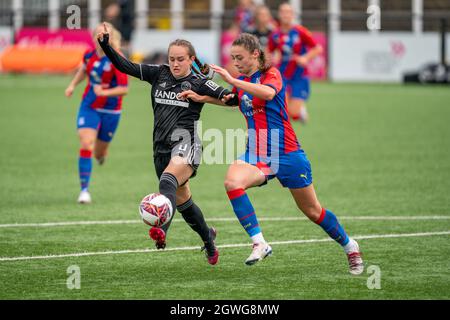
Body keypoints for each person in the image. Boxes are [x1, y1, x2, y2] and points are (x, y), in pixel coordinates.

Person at [180, 33, 364, 275]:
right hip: (256, 152)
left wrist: (231, 78)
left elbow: (267, 94)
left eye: (240, 57)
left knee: (313, 211)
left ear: (255, 54)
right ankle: (259, 242)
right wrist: (201, 97)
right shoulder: (245, 81)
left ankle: (350, 246)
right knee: (232, 182)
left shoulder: (271, 74)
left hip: (287, 154)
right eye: (233, 58)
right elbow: (233, 100)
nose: (235, 62)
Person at [97, 23, 232, 265]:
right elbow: (124, 65)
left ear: (191, 59)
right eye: (172, 59)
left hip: (187, 143)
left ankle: (162, 231)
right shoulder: (158, 73)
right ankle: (208, 238)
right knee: (184, 203)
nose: (175, 63)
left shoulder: (199, 82)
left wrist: (206, 97)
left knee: (166, 181)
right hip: (160, 147)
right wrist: (105, 45)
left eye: (181, 59)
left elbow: (231, 99)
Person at [65, 22, 128, 204]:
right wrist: (72, 85)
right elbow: (84, 70)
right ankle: (84, 191)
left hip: (111, 111)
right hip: (89, 106)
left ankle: (101, 156)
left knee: (99, 153)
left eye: (104, 34)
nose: (99, 37)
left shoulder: (117, 59)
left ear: (112, 37)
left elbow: (124, 89)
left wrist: (105, 92)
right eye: (97, 34)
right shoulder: (89, 55)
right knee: (86, 144)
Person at [268, 2, 322, 123]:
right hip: (282, 76)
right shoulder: (275, 34)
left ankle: (300, 111)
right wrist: (272, 58)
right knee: (283, 110)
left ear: (292, 15)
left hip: (299, 76)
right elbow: (268, 52)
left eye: (288, 12)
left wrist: (306, 58)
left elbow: (317, 48)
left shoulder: (300, 31)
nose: (286, 15)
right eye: (283, 12)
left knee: (294, 113)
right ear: (279, 14)